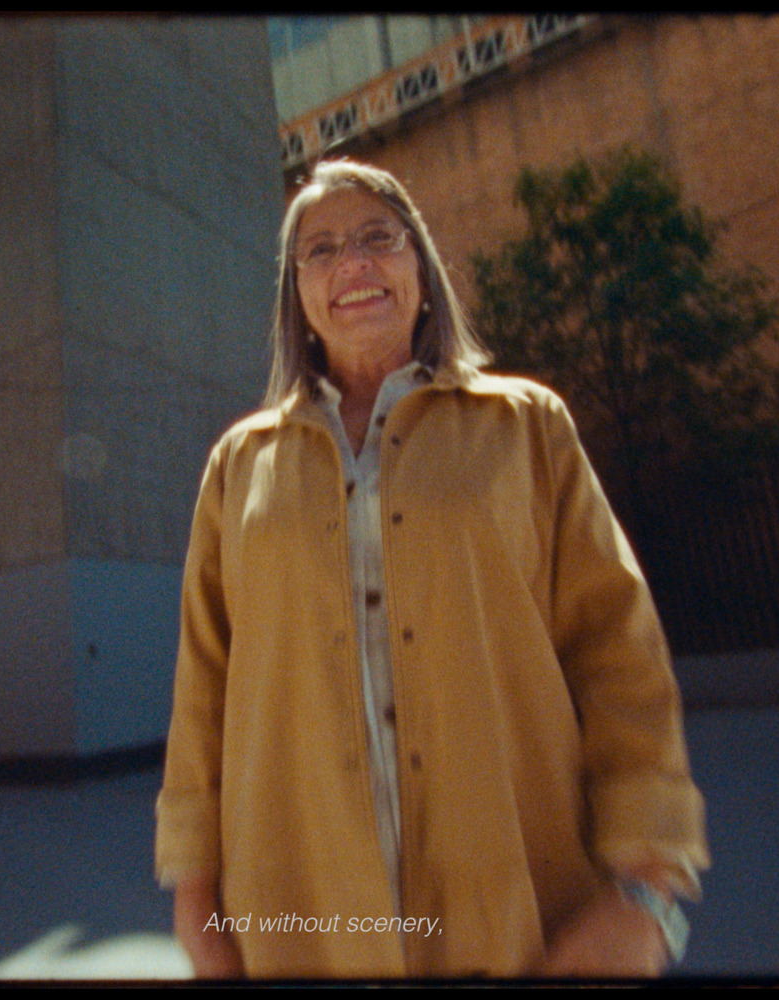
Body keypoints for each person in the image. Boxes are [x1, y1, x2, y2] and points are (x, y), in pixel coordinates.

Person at [154, 159, 708, 979]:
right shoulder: (240, 465)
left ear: (422, 269)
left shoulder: (527, 427)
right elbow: (204, 689)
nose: (355, 264)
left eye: (380, 237)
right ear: (296, 295)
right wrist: (196, 906)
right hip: (298, 922)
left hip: (526, 915)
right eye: (322, 249)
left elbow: (617, 653)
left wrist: (649, 893)